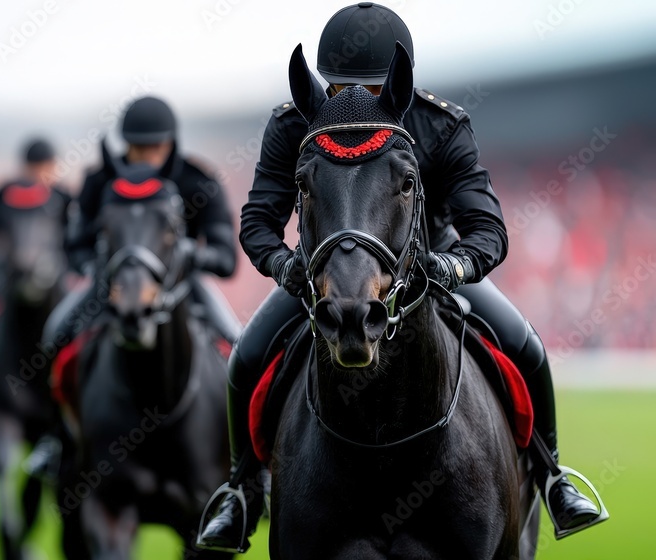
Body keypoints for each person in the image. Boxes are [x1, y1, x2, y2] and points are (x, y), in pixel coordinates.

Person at [197, 3, 603, 552]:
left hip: (433, 264)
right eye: (340, 90)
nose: (354, 102)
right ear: (323, 84)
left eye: (367, 90)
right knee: (246, 356)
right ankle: (242, 490)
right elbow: (258, 221)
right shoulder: (293, 124)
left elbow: (486, 228)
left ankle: (553, 477)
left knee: (524, 345)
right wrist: (285, 266)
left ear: (398, 85)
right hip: (323, 275)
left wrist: (454, 266)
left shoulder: (441, 124)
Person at [42, 95, 241, 353]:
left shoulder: (198, 181)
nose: (148, 157)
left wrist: (189, 254)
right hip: (110, 283)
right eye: (139, 148)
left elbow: (225, 259)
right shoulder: (99, 181)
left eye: (156, 147)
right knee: (55, 335)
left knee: (238, 344)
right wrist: (98, 268)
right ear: (126, 144)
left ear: (170, 144)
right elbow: (76, 246)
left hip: (183, 282)